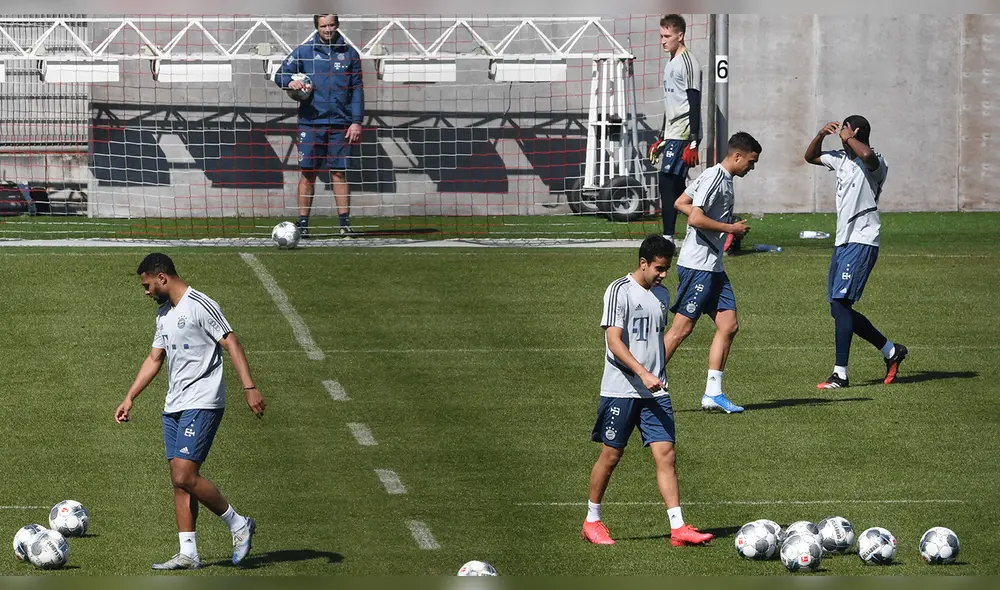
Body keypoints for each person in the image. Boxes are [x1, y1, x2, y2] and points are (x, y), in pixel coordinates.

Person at [115, 253, 267, 570]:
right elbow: (155, 359)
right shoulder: (163, 314)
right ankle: (188, 552)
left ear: (162, 277)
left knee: (185, 473)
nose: (145, 292)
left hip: (203, 400)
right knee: (179, 480)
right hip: (174, 405)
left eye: (146, 285)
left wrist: (249, 387)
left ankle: (238, 523)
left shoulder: (199, 304)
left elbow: (232, 342)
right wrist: (130, 397)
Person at [582, 235, 714, 548]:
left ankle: (678, 528)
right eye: (659, 268)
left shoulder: (661, 294)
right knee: (612, 455)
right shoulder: (618, 291)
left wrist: (656, 375)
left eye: (667, 268)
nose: (664, 274)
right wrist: (643, 373)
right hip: (622, 389)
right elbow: (614, 342)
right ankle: (591, 521)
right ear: (643, 263)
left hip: (655, 393)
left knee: (666, 455)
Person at [803, 116, 908, 388]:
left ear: (856, 132)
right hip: (843, 241)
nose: (842, 136)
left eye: (846, 131)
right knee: (838, 308)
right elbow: (810, 156)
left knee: (841, 305)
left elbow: (867, 155)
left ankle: (840, 374)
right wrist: (820, 135)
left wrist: (849, 139)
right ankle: (891, 351)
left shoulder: (875, 162)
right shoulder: (841, 158)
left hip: (863, 239)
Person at [665, 132, 761, 414]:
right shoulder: (714, 178)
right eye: (751, 162)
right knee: (682, 329)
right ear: (738, 156)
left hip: (713, 267)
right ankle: (644, 381)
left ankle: (713, 393)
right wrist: (730, 229)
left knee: (729, 325)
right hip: (697, 267)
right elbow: (694, 216)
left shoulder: (720, 178)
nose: (751, 168)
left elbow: (680, 202)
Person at [274, 13, 364, 237]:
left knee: (339, 173)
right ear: (317, 26)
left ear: (337, 25)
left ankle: (344, 224)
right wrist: (290, 81)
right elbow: (280, 74)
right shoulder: (305, 51)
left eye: (332, 25)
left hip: (341, 125)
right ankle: (303, 224)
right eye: (324, 25)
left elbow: (357, 91)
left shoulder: (350, 53)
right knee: (308, 173)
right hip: (311, 123)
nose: (328, 29)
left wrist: (356, 122)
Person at [648, 14, 702, 244]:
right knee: (678, 186)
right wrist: (661, 136)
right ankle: (704, 224)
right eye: (661, 35)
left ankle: (668, 237)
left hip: (683, 133)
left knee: (667, 181)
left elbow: (695, 104)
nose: (663, 40)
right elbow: (670, 103)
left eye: (667, 36)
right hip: (672, 132)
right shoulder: (669, 62)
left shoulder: (688, 63)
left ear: (680, 36)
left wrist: (693, 142)